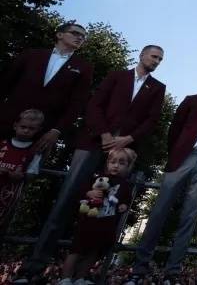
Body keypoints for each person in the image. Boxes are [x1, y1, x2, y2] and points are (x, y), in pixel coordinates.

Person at [18, 45, 166, 282]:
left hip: (125, 151)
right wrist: (105, 134)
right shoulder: (117, 76)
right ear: (142, 55)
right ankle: (34, 266)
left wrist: (128, 138)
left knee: (108, 211)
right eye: (154, 56)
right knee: (67, 200)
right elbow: (94, 104)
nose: (157, 61)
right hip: (94, 143)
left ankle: (86, 273)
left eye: (160, 59)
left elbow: (152, 119)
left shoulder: (157, 88)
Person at [127, 69, 197, 282]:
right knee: (159, 211)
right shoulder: (192, 101)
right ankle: (139, 269)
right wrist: (176, 153)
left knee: (189, 217)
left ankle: (173, 271)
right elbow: (174, 128)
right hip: (182, 157)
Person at [0, 22, 93, 146]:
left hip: (44, 130)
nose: (80, 38)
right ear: (60, 34)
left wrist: (57, 130)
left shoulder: (84, 67)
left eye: (83, 36)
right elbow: (6, 83)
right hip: (8, 120)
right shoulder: (31, 55)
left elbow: (77, 102)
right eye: (75, 33)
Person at [59, 148, 136, 285]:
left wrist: (123, 205)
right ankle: (65, 278)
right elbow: (81, 191)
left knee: (94, 252)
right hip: (88, 222)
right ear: (107, 163)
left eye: (121, 163)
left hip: (106, 224)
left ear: (128, 166)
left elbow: (126, 199)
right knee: (76, 250)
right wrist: (89, 193)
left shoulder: (125, 184)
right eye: (113, 162)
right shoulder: (97, 177)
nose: (116, 165)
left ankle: (80, 278)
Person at [0, 109, 43, 233]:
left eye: (31, 128)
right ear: (15, 126)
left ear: (38, 130)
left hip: (9, 195)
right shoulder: (2, 144)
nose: (26, 131)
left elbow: (31, 174)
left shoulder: (34, 151)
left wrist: (20, 176)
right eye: (23, 127)